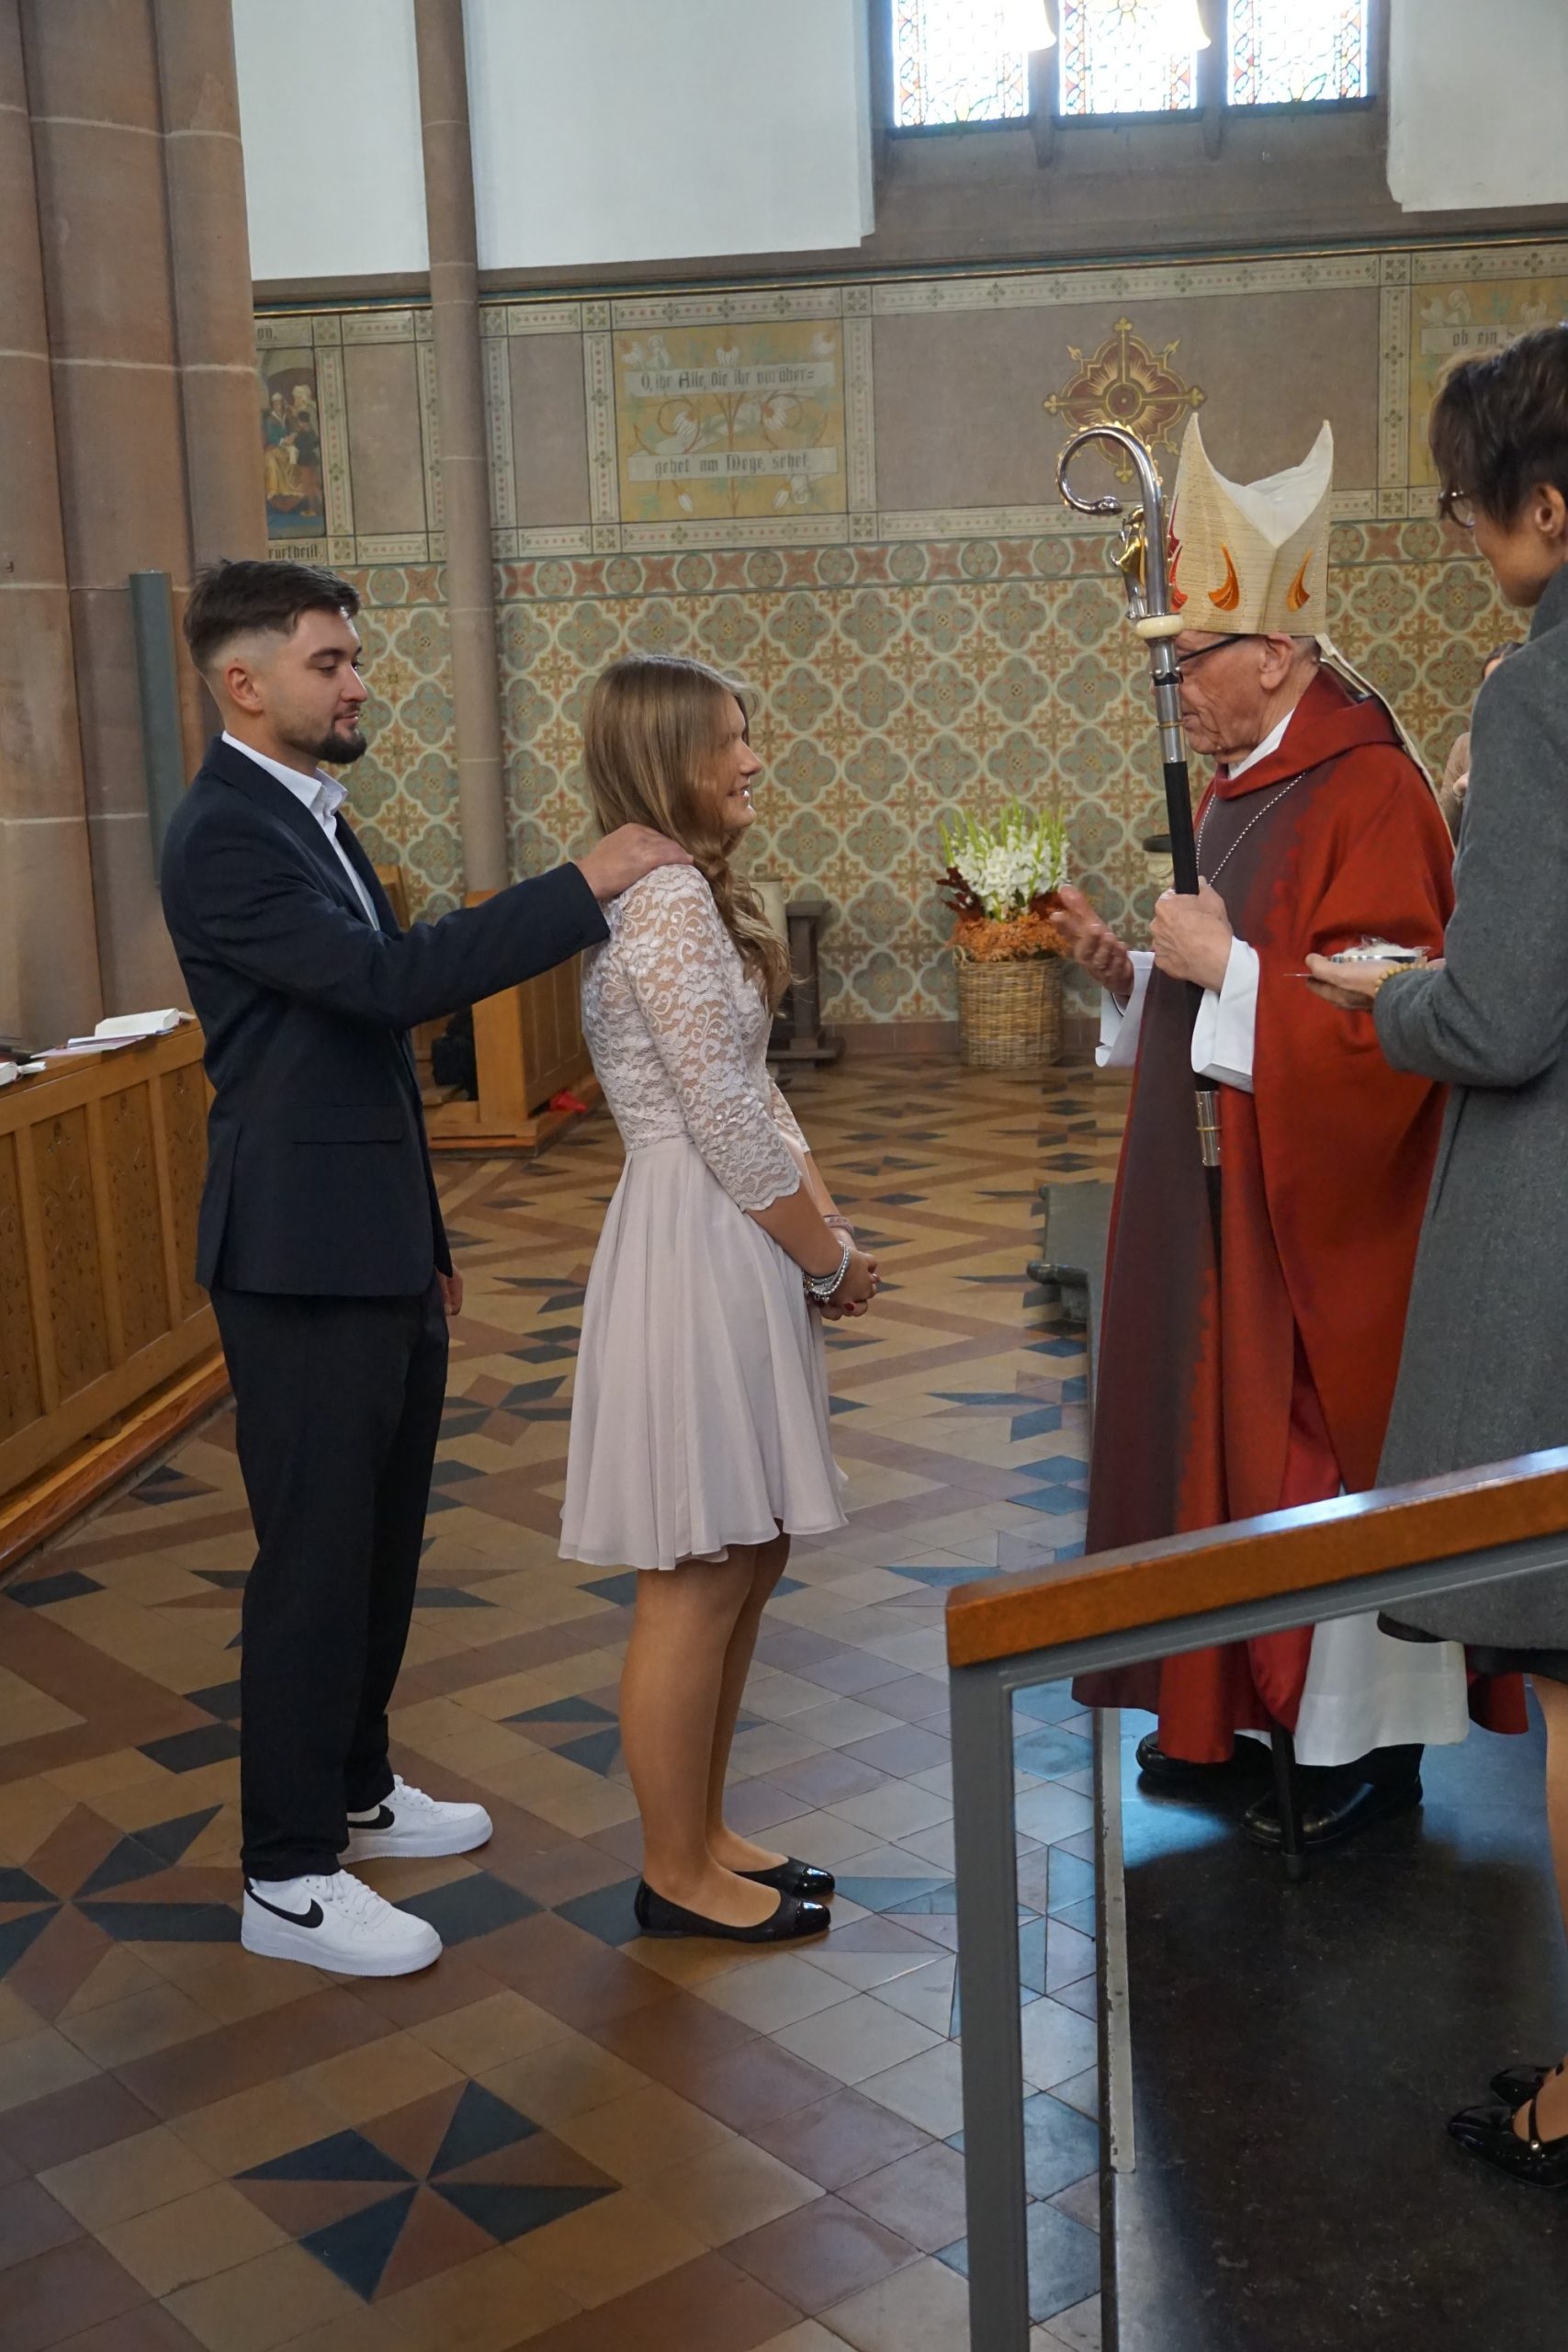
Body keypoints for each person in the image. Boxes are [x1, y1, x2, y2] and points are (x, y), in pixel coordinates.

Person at [161, 560, 685, 1977]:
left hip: (371, 1242)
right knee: (314, 1560)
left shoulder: (305, 816)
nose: (357, 683)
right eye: (328, 662)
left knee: (382, 1543)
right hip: (296, 1257)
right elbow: (392, 990)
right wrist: (586, 880)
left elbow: (363, 1061)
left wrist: (427, 1240)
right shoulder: (224, 835)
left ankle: (354, 1787)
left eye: (353, 659)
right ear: (243, 683)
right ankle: (286, 1873)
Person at [1051, 416, 1523, 1852]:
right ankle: (1238, 1720)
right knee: (1223, 1447)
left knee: (1311, 1453)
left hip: (1321, 1229)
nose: (1170, 687)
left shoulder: (1366, 786)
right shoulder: (1250, 781)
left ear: (1273, 651)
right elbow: (1226, 984)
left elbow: (1392, 1030)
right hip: (1228, 1211)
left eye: (1187, 658)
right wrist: (1135, 976)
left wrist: (1231, 974)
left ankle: (1354, 1751)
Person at [1306, 324, 1568, 2180]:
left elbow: (1504, 1018)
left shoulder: (1543, 692)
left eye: (1471, 512)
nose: (1471, 544)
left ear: (1544, 506)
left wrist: (1389, 996)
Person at [559, 655, 876, 1941]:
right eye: (730, 741)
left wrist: (823, 1221)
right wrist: (826, 1259)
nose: (752, 759)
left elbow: (757, 1093)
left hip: (730, 1230)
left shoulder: (679, 891)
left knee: (752, 1545)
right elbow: (724, 1128)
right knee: (696, 1565)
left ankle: (705, 1830)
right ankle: (671, 1870)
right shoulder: (666, 902)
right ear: (666, 757)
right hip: (698, 1236)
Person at [1438, 640, 1519, 836]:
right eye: (1490, 686)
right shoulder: (1466, 745)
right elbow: (1441, 833)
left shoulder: (1553, 741)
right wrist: (1458, 790)